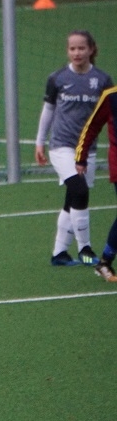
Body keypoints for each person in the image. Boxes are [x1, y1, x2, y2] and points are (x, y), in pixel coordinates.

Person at [35, 30, 114, 267]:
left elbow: (111, 111)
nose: (76, 53)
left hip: (86, 149)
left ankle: (59, 253)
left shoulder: (102, 80)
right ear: (67, 51)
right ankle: (85, 249)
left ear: (91, 50)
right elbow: (48, 110)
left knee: (73, 198)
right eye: (72, 48)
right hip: (62, 147)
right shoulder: (57, 78)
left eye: (81, 48)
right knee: (79, 190)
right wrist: (39, 141)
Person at [75, 85, 117, 280]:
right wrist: (81, 157)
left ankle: (105, 262)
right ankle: (105, 262)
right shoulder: (111, 96)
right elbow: (92, 126)